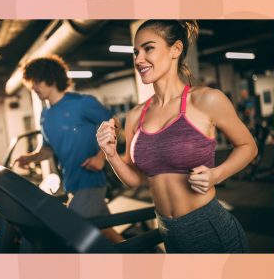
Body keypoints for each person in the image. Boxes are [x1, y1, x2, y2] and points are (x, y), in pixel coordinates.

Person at [96, 20, 258, 253]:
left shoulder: (206, 100)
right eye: (135, 51)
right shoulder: (135, 115)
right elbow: (136, 179)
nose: (138, 58)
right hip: (169, 232)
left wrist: (216, 175)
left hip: (209, 228)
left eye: (148, 48)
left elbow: (248, 146)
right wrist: (110, 154)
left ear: (176, 49)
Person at [14, 54, 122, 243]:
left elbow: (115, 123)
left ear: (51, 78)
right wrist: (30, 158)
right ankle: (145, 254)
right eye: (31, 82)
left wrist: (101, 156)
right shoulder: (45, 115)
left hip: (90, 183)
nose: (33, 86)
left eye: (37, 81)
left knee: (69, 235)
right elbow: (48, 149)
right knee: (105, 232)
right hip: (71, 184)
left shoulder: (82, 103)